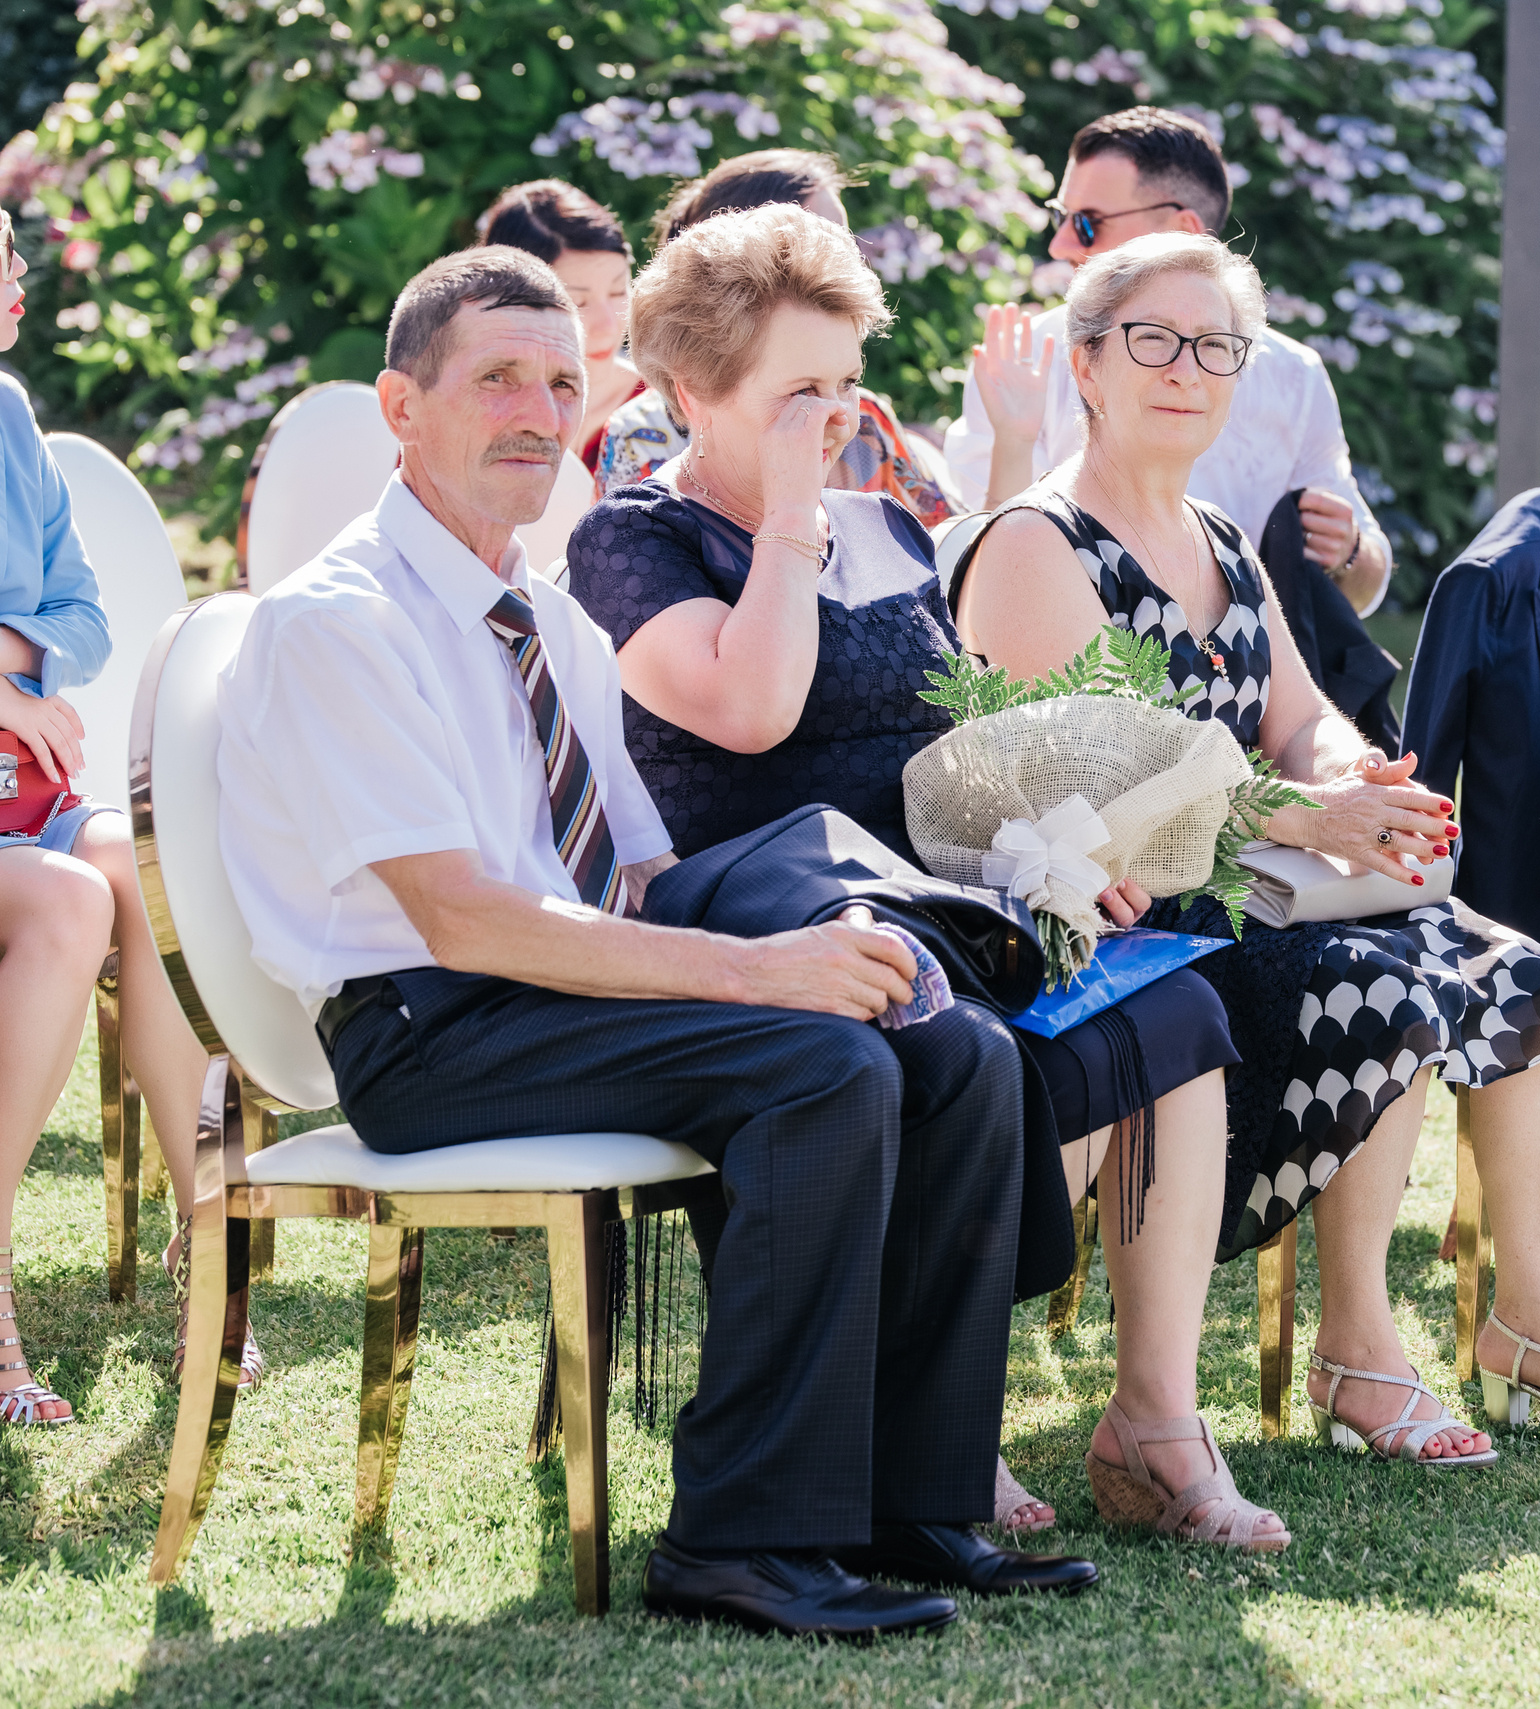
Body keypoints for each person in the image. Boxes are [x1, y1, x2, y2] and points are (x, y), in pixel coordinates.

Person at [214, 246, 1093, 1637]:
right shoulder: (343, 621)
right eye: (496, 379)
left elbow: (644, 874)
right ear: (400, 406)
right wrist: (759, 977)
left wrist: (846, 936)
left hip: (551, 991)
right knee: (820, 1069)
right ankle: (738, 1542)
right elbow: (462, 915)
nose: (537, 412)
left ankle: (912, 1501)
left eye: (562, 382)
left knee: (952, 1045)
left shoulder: (547, 621)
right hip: (424, 1027)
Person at [570, 203, 1286, 1550]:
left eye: (845, 384)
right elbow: (751, 713)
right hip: (769, 914)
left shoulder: (887, 527)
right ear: (691, 395)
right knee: (971, 1037)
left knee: (1169, 1001)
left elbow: (950, 749)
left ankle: (1156, 1415)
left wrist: (1052, 850)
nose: (835, 420)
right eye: (797, 395)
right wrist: (790, 518)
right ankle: (939, 1418)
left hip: (939, 894)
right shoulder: (632, 540)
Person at [956, 232, 1540, 1451]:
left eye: (1215, 348)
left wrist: (1352, 773)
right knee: (1382, 989)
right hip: (1130, 917)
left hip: (1263, 891)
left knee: (1522, 975)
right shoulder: (1033, 541)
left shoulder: (1221, 538)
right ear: (1086, 363)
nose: (1187, 370)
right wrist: (1307, 815)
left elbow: (1298, 714)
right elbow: (1107, 778)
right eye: (1155, 341)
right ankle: (1358, 1350)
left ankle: (1532, 1324)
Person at [0, 212, 219, 1426]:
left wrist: (16, 656)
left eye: (12, 261)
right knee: (72, 898)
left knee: (144, 872)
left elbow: (84, 619)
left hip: (24, 798)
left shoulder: (10, 417)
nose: (15, 281)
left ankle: (206, 1233)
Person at [946, 107, 1391, 617]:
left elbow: (1363, 588)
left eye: (1087, 223)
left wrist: (1347, 554)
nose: (1060, 242)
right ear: (1086, 370)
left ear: (1182, 231)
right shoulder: (1021, 361)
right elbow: (985, 586)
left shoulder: (1293, 375)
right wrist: (1013, 442)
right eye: (1060, 217)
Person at [597, 150, 956, 528]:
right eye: (817, 237)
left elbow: (949, 545)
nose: (848, 259)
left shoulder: (864, 420)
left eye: (845, 239)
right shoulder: (642, 439)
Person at [474, 180, 645, 472]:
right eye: (578, 302)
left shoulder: (667, 408)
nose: (608, 325)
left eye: (618, 291)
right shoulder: (457, 407)